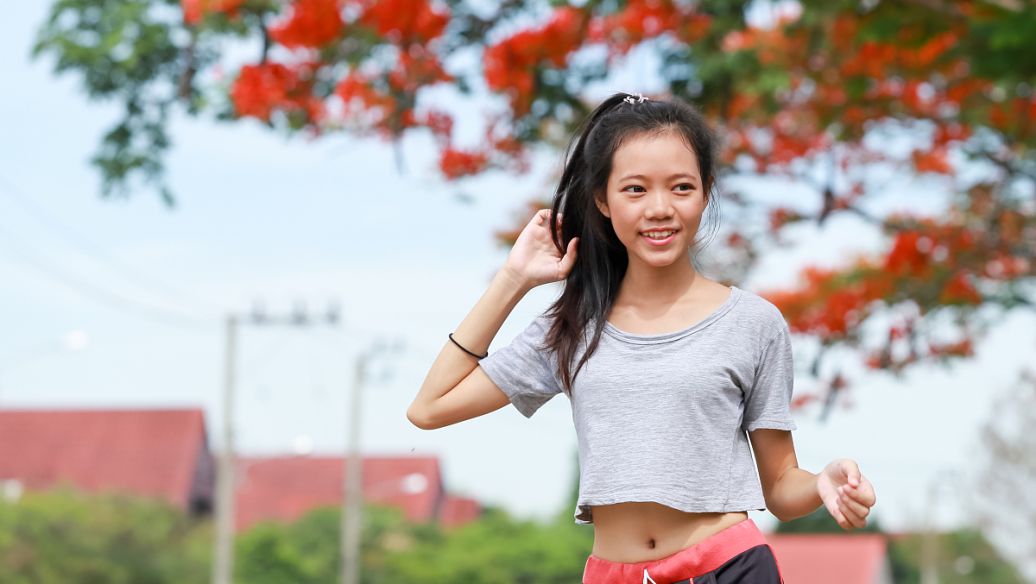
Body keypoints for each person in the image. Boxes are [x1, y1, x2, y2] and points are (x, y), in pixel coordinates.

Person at [407, 91, 877, 583]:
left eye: (680, 187)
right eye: (635, 190)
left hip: (728, 567)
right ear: (602, 199)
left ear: (705, 192)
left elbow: (780, 485)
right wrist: (513, 279)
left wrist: (822, 480)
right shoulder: (572, 327)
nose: (660, 209)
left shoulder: (753, 324)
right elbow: (430, 407)